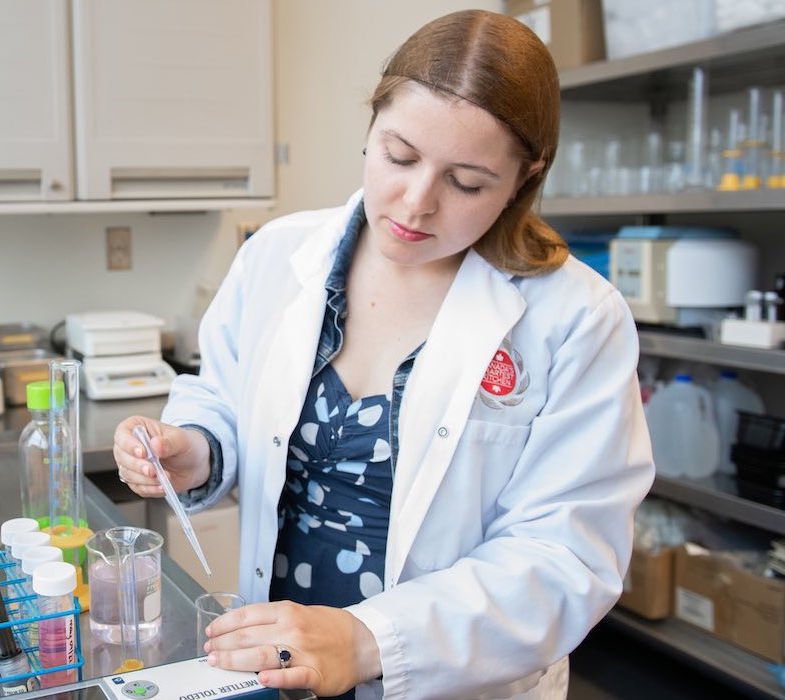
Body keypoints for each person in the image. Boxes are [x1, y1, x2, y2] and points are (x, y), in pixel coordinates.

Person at [111, 9, 653, 699]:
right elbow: (220, 391)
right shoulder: (279, 256)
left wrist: (370, 640)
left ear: (524, 177)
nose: (415, 202)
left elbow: (564, 556)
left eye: (467, 182)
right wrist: (197, 446)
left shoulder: (575, 319)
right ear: (370, 128)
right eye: (399, 156)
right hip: (280, 670)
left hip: (452, 682)